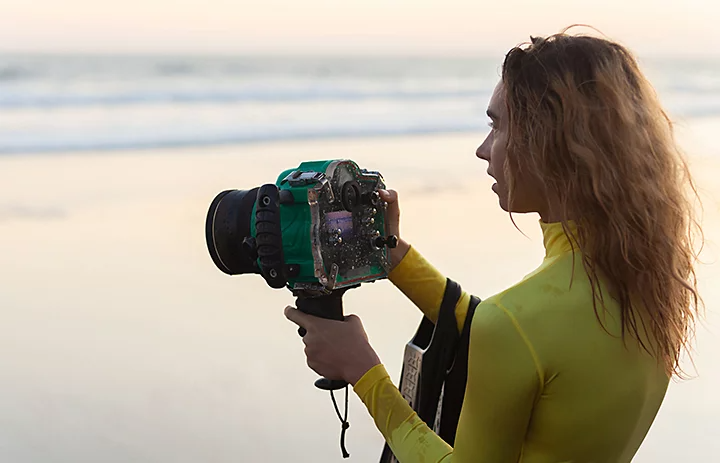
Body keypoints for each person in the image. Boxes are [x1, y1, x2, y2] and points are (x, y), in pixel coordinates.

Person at [285, 31, 702, 462]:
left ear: (549, 142)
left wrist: (364, 372)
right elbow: (515, 335)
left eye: (497, 125)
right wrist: (387, 254)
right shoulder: (649, 278)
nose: (483, 150)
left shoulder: (517, 322)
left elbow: (511, 333)